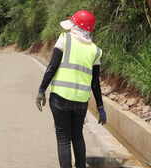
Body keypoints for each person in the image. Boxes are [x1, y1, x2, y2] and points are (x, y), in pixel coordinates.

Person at [36, 10, 107, 168]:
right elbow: (95, 82)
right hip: (81, 102)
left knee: (63, 138)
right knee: (77, 136)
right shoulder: (96, 50)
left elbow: (52, 67)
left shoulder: (65, 39)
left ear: (76, 26)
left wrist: (41, 90)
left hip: (60, 98)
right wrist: (101, 107)